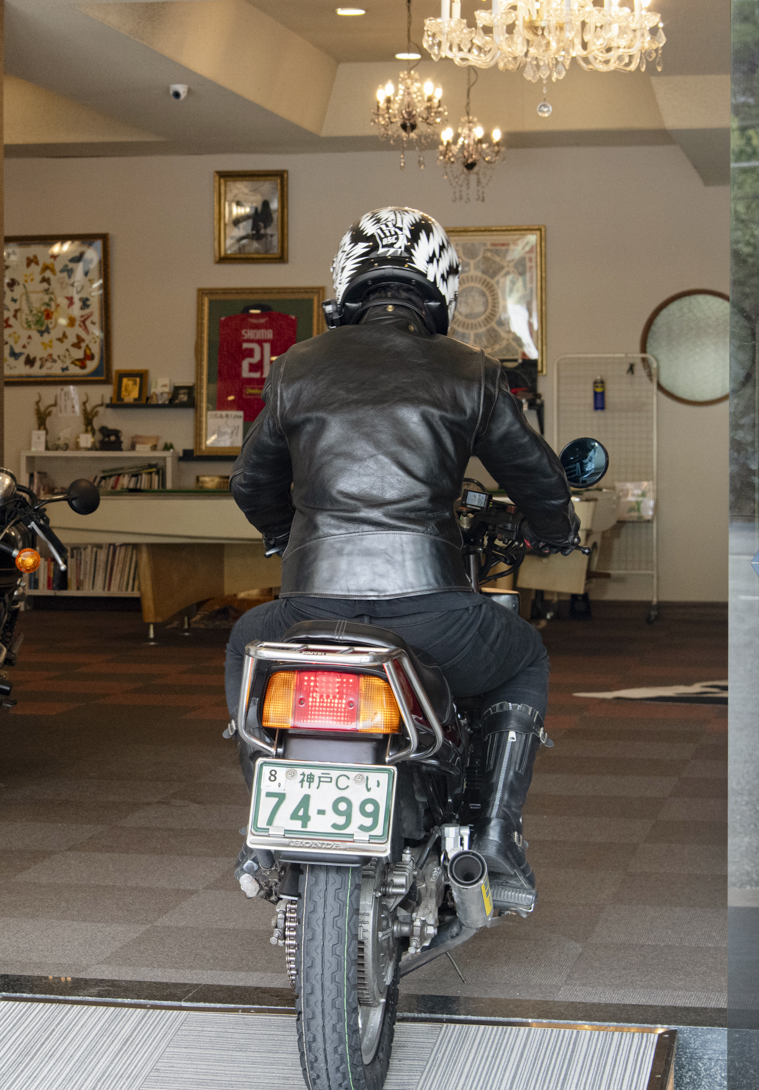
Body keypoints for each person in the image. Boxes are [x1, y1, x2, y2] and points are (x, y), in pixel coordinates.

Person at [225, 207, 577, 915]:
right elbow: (536, 474)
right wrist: (556, 529)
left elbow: (250, 482)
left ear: (347, 282)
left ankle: (265, 832)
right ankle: (499, 837)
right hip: (434, 612)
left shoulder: (295, 368)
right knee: (524, 656)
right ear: (440, 283)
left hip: (310, 607)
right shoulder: (468, 371)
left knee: (244, 640)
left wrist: (283, 535)